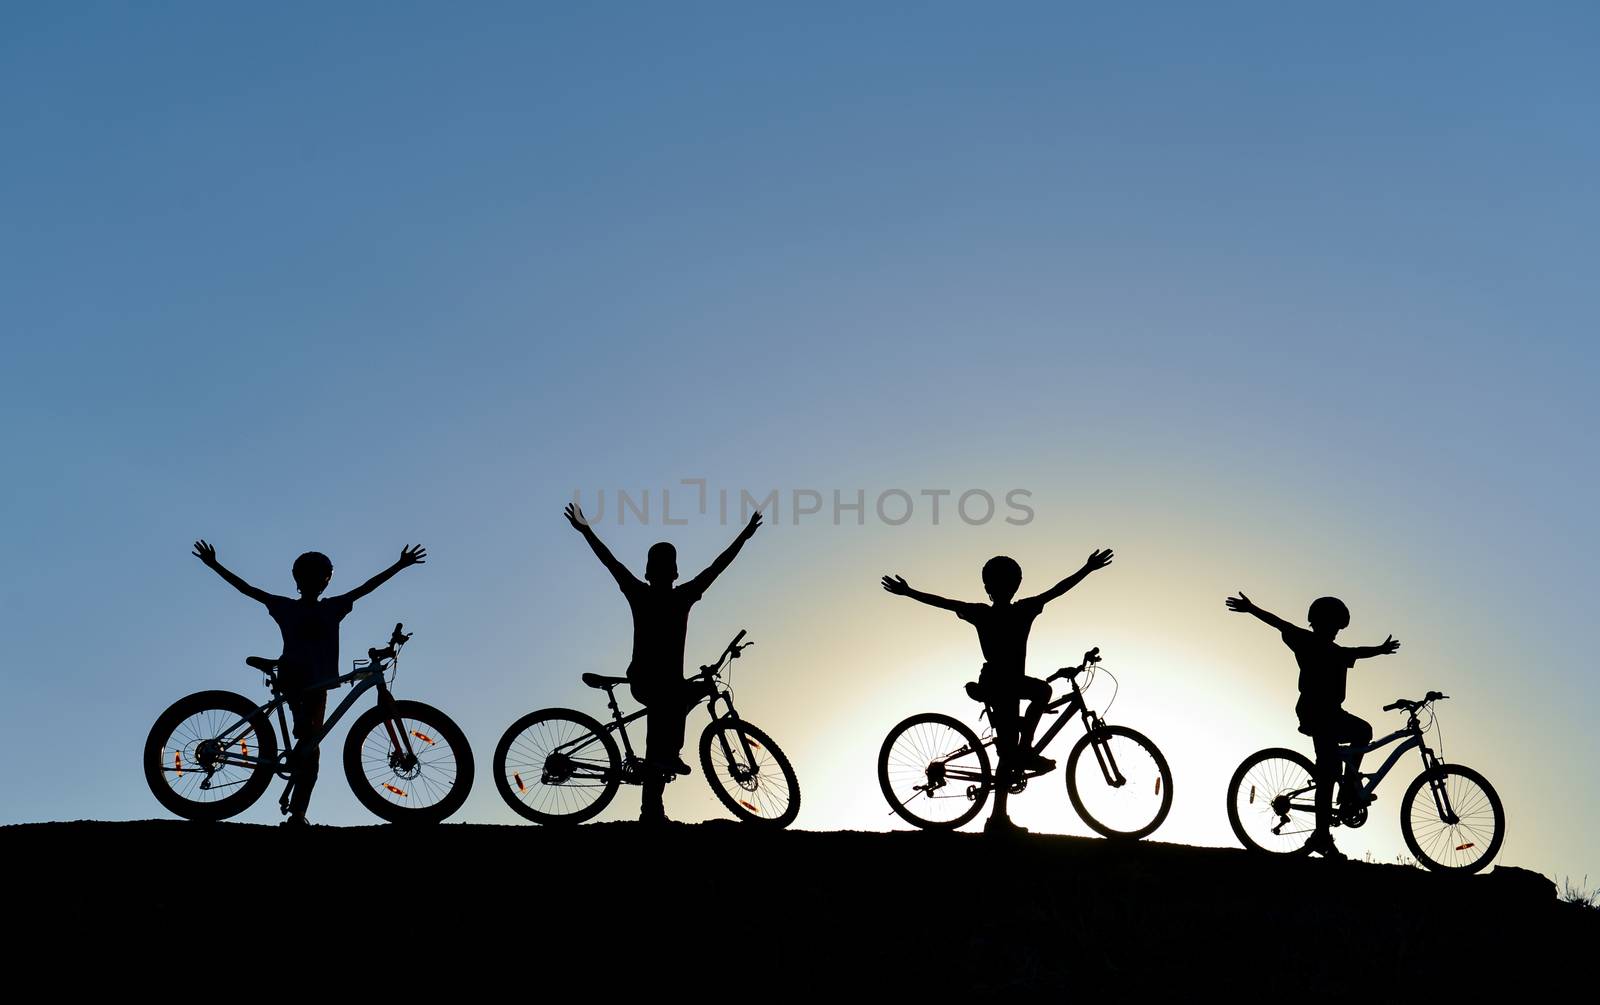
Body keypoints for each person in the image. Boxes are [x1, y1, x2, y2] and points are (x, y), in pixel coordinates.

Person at [192, 539, 427, 826]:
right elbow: (366, 587)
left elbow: (248, 589)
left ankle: (298, 812)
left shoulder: (301, 607)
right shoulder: (326, 607)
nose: (317, 581)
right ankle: (298, 805)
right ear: (323, 580)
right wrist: (399, 565)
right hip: (300, 680)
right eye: (315, 576)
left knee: (310, 746)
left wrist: (215, 565)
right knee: (309, 742)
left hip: (313, 684)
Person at [881, 548, 1114, 835]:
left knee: (1008, 749)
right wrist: (1086, 569)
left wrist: (909, 592)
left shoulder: (986, 612)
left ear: (987, 586)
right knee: (1040, 695)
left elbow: (943, 602)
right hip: (1001, 684)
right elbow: (1057, 590)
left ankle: (999, 815)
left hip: (1001, 683)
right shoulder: (1022, 609)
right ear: (1015, 584)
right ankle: (1024, 756)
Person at [565, 503, 762, 824]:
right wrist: (745, 536)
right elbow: (717, 566)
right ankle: (658, 785)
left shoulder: (653, 594)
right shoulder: (672, 595)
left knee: (674, 715)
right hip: (647, 681)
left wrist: (587, 531)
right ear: (673, 572)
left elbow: (612, 562)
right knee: (667, 722)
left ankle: (657, 792)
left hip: (662, 684)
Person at [1225, 591, 1401, 859]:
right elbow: (1278, 623)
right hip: (1316, 713)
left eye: (1339, 627)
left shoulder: (1336, 651)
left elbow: (1358, 652)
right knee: (1328, 771)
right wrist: (1251, 609)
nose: (1336, 632)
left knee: (1363, 731)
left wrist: (1380, 649)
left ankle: (1349, 783)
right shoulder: (1305, 641)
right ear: (1320, 622)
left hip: (1333, 713)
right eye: (1334, 625)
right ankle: (1321, 836)